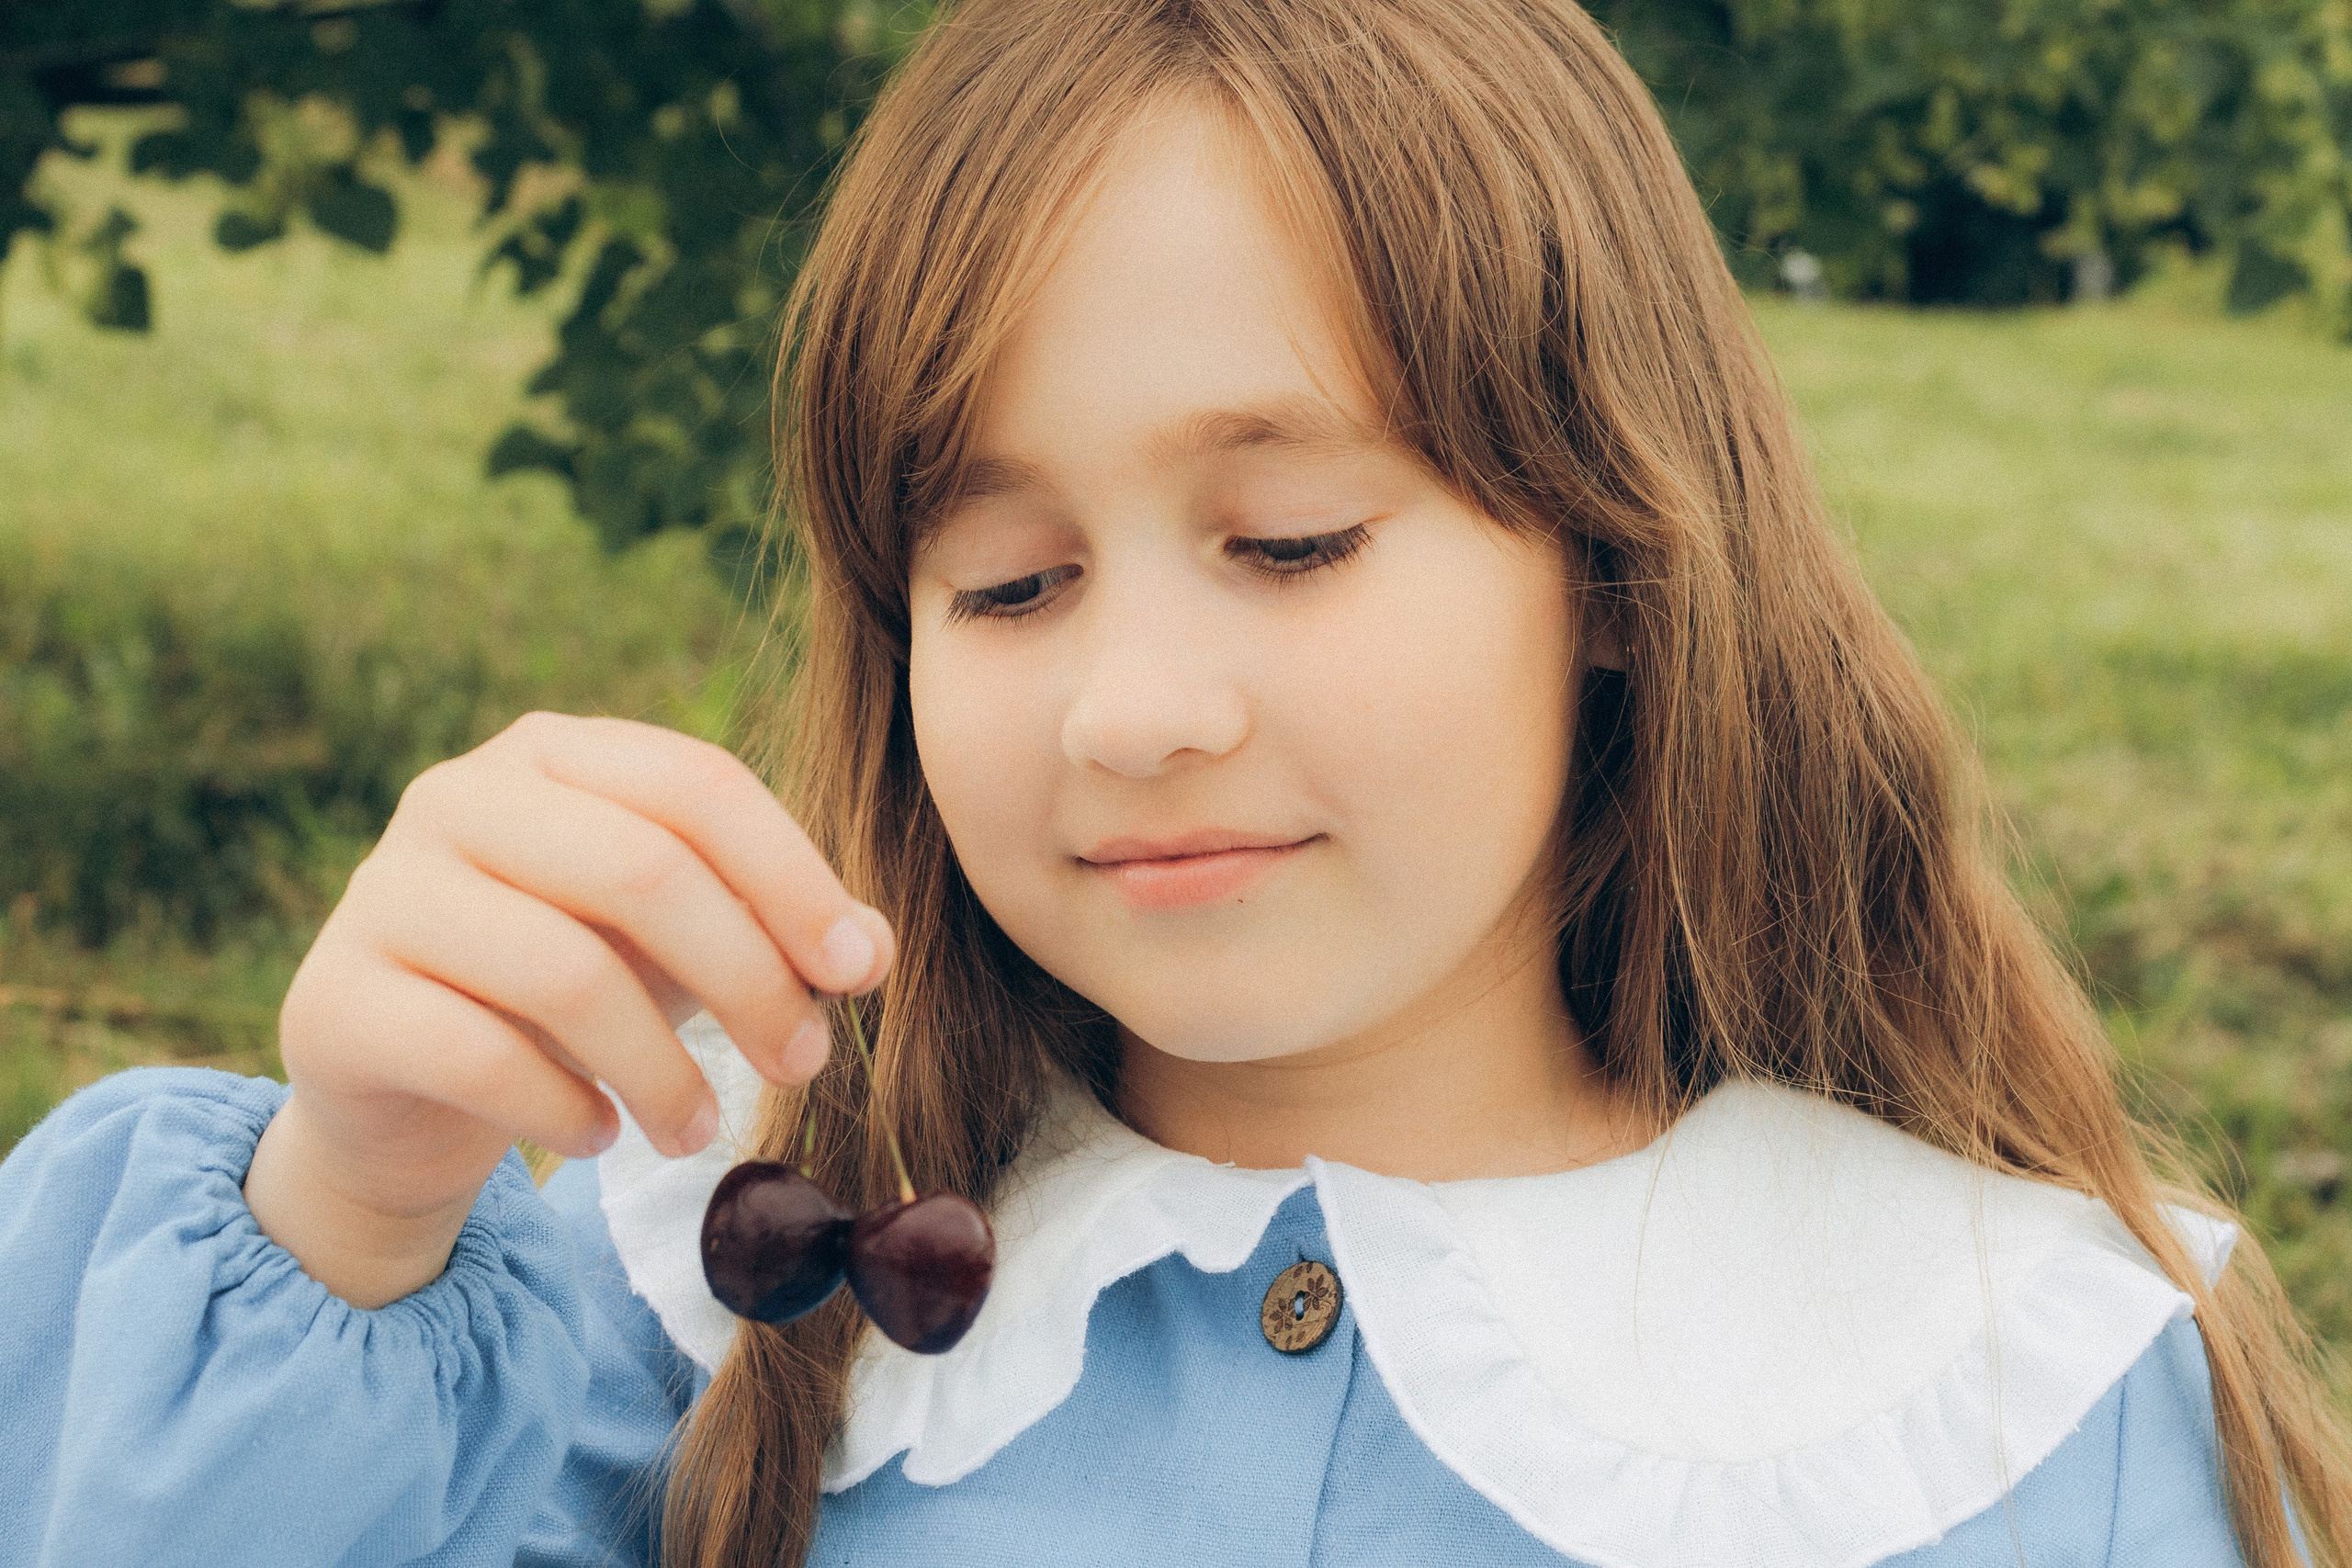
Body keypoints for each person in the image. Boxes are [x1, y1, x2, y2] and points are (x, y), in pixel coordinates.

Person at [3, 0, 2347, 1563]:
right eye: (1004, 584)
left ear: (1619, 555)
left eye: (1291, 539)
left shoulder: (2013, 1386)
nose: (1131, 704)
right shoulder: (676, 1296)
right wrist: (355, 1195)